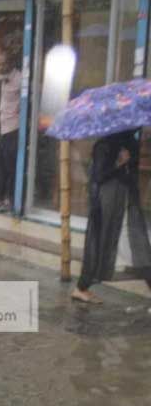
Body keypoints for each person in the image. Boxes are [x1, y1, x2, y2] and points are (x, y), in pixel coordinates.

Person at [71, 130, 151, 304]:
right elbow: (98, 176)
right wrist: (119, 162)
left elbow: (133, 173)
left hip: (126, 199)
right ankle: (82, 286)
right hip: (108, 201)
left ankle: (82, 287)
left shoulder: (130, 142)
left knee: (138, 241)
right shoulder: (104, 145)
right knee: (101, 239)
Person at [0, 45, 22, 212]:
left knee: (11, 166)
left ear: (10, 63)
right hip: (3, 127)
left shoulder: (19, 79)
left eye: (2, 64)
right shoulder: (0, 77)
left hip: (14, 129)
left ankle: (11, 200)